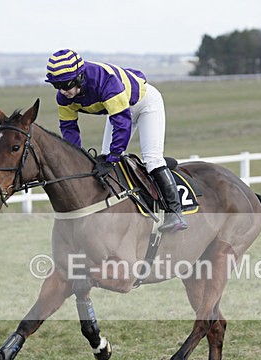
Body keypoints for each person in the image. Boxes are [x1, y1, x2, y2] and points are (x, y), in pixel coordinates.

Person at [44, 49, 187, 232]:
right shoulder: (63, 97)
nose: (64, 91)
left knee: (151, 158)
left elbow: (122, 123)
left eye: (66, 84)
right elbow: (69, 129)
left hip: (145, 104)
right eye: (57, 86)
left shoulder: (104, 81)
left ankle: (175, 214)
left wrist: (114, 156)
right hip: (118, 110)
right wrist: (76, 159)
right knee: (104, 163)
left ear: (80, 77)